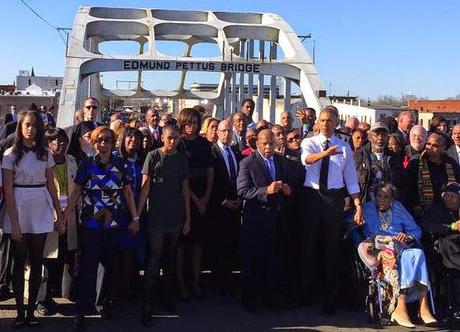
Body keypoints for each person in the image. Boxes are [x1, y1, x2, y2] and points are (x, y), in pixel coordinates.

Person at [64, 126, 139, 331]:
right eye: (99, 140)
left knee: (109, 266)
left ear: (113, 142)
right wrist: (65, 215)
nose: (104, 143)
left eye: (108, 139)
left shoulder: (121, 165)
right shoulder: (87, 164)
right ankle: (81, 310)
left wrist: (135, 218)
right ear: (94, 143)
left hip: (113, 224)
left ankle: (104, 303)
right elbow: (77, 191)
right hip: (90, 224)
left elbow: (128, 193)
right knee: (88, 267)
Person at [2, 111, 63, 327]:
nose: (31, 129)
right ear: (20, 127)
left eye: (35, 126)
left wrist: (59, 212)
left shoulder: (44, 153)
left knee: (37, 262)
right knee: (19, 263)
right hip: (18, 204)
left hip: (40, 206)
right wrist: (15, 222)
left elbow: (51, 186)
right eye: (27, 125)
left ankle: (31, 312)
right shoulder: (10, 154)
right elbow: (8, 189)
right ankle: (19, 311)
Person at [300, 105, 362, 315]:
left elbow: (351, 180)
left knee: (331, 250)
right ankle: (305, 293)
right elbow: (306, 160)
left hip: (334, 200)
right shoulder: (309, 142)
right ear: (317, 122)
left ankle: (331, 298)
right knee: (309, 247)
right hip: (313, 197)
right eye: (323, 120)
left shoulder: (344, 147)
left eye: (330, 121)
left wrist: (357, 204)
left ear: (336, 123)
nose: (326, 124)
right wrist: (324, 153)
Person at [360, 182, 437, 328]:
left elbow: (416, 230)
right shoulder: (369, 208)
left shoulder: (398, 207)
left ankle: (423, 304)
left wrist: (407, 237)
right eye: (379, 196)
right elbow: (368, 232)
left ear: (392, 198)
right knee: (410, 256)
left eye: (386, 197)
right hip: (380, 248)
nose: (382, 200)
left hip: (401, 246)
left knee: (418, 253)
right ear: (374, 196)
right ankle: (400, 305)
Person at [136, 124, 191, 326]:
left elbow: (185, 190)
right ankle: (147, 302)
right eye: (169, 138)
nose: (172, 141)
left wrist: (188, 218)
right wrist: (136, 215)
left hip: (175, 214)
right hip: (157, 215)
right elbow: (144, 188)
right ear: (163, 138)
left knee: (170, 258)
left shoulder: (182, 159)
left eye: (176, 138)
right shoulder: (153, 156)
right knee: (154, 258)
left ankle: (167, 297)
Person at [237, 129, 292, 312]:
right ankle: (251, 300)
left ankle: (272, 298)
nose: (268, 146)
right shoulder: (247, 163)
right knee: (254, 262)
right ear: (257, 143)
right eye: (264, 143)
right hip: (256, 219)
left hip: (277, 219)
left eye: (271, 142)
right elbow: (242, 191)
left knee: (274, 260)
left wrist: (287, 190)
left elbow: (290, 183)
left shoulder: (281, 161)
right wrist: (265, 191)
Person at [37, 128, 78, 315]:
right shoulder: (42, 162)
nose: (60, 144)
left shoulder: (72, 161)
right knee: (46, 257)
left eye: (63, 140)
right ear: (47, 143)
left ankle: (58, 293)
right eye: (55, 141)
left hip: (68, 216)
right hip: (47, 216)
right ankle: (41, 298)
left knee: (63, 255)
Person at [176, 108, 214, 299]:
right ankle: (181, 283)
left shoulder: (204, 143)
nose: (191, 126)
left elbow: (210, 170)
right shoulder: (179, 143)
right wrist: (195, 198)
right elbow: (181, 176)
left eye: (194, 122)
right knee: (182, 242)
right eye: (188, 123)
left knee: (198, 241)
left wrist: (206, 196)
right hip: (184, 194)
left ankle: (196, 280)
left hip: (202, 193)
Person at [209, 120, 241, 293]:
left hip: (235, 205)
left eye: (229, 131)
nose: (227, 134)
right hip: (218, 206)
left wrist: (238, 200)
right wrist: (222, 201)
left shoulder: (235, 152)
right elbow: (210, 183)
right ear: (217, 133)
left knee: (231, 244)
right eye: (224, 131)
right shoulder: (212, 152)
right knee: (218, 245)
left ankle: (228, 280)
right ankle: (217, 282)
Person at [113, 127, 144, 301]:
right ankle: (116, 289)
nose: (134, 140)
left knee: (130, 252)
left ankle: (128, 287)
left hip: (136, 212)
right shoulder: (116, 160)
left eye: (137, 138)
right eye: (130, 137)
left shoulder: (140, 161)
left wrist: (136, 215)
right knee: (117, 251)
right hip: (119, 212)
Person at [406, 132, 460, 218]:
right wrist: (415, 205)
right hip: (424, 211)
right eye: (428, 144)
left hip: (448, 211)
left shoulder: (450, 163)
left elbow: (457, 184)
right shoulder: (416, 162)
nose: (430, 147)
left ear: (443, 148)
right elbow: (408, 187)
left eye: (435, 146)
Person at [354, 122, 403, 204]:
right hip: (365, 204)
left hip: (388, 204)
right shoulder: (358, 156)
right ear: (369, 137)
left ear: (387, 138)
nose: (380, 138)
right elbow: (350, 183)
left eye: (383, 135)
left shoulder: (394, 158)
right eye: (376, 134)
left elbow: (401, 184)